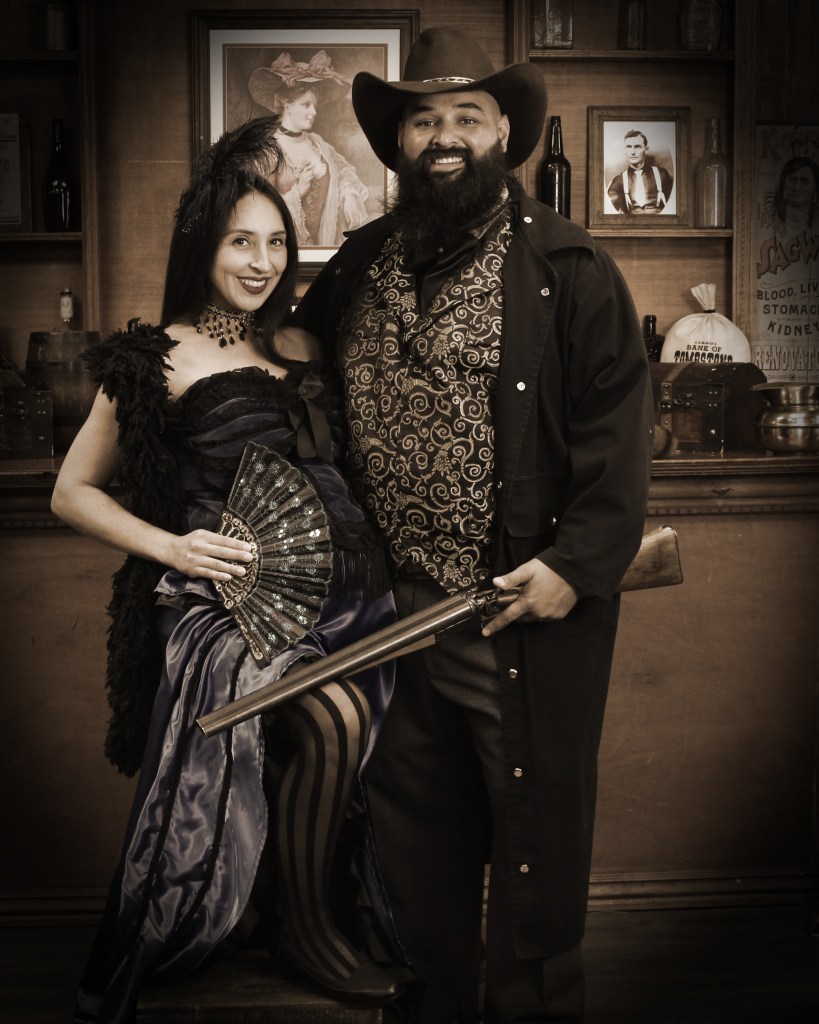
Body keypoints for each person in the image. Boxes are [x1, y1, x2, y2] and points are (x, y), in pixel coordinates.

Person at [291, 27, 654, 1024]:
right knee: (413, 850)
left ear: (503, 133)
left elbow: (619, 434)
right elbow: (290, 366)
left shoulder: (571, 267)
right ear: (399, 141)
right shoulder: (360, 261)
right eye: (423, 119)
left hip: (516, 611)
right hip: (390, 616)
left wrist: (572, 566)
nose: (442, 136)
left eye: (465, 116)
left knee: (534, 854)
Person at [52, 116, 405, 1023]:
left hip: (349, 597)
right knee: (329, 720)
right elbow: (70, 493)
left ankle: (296, 910)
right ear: (202, 247)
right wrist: (172, 549)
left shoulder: (301, 347)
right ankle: (306, 932)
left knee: (375, 736)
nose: (261, 261)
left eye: (276, 243)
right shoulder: (155, 356)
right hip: (231, 606)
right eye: (239, 242)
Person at [249, 52, 370, 247]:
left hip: (325, 244)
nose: (313, 112)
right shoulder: (268, 151)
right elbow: (257, 210)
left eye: (314, 105)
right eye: (306, 105)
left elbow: (342, 172)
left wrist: (350, 194)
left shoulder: (318, 144)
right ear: (287, 106)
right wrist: (298, 191)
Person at [606, 128, 674, 214]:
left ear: (646, 149)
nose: (632, 152)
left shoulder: (662, 175)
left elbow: (674, 206)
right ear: (625, 149)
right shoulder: (619, 181)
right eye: (629, 147)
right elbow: (609, 210)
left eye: (637, 147)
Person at [771, 155, 819, 238]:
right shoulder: (772, 223)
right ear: (784, 187)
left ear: (815, 191)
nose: (797, 187)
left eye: (804, 181)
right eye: (792, 180)